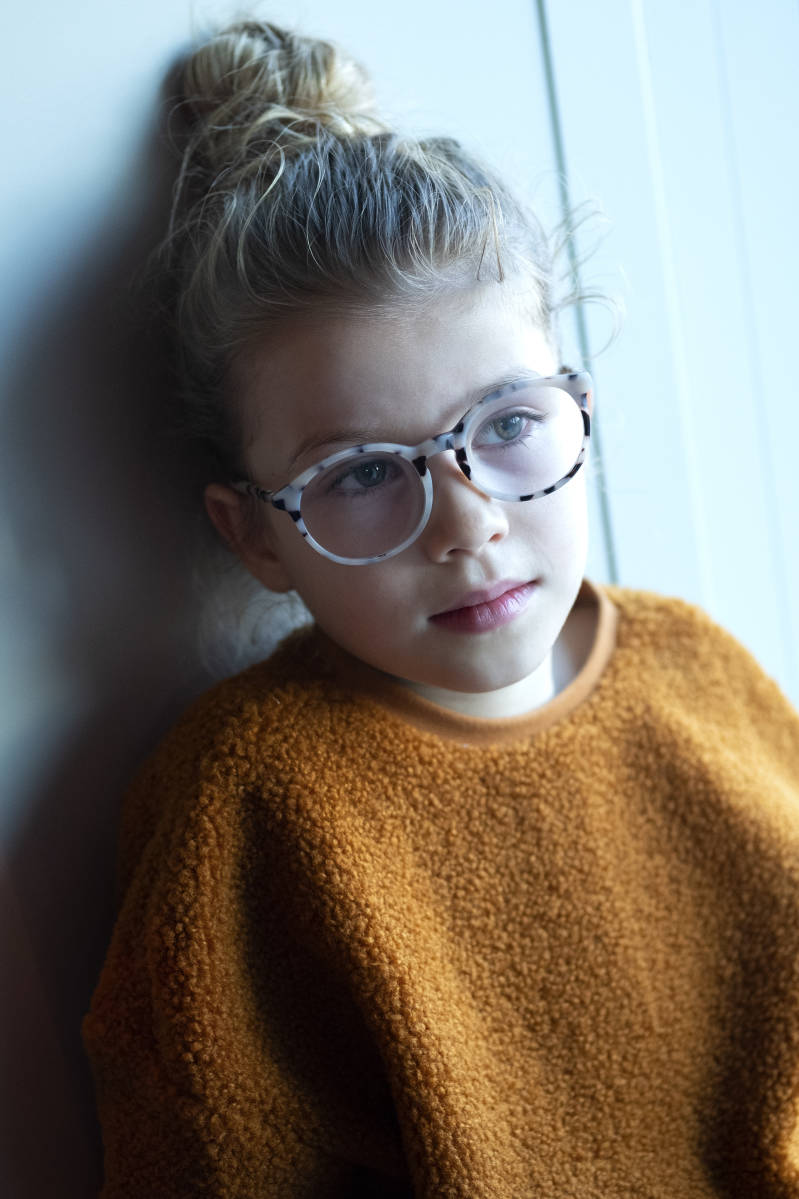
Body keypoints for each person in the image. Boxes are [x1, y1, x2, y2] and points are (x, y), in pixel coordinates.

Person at [82, 17, 799, 1199]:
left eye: (507, 423)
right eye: (365, 471)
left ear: (576, 406)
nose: (467, 522)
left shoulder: (699, 669)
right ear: (254, 533)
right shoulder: (247, 802)